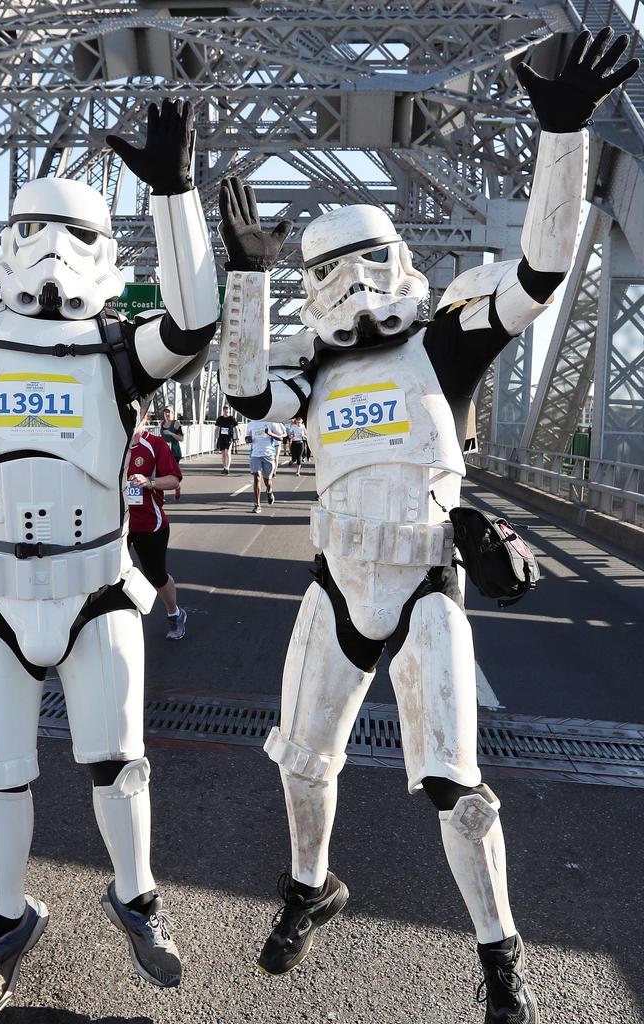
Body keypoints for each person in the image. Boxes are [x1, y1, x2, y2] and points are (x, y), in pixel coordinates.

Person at [217, 30, 637, 1024]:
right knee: (300, 759)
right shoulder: (314, 369)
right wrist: (242, 281)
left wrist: (562, 131)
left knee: (460, 785)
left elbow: (538, 273)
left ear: (400, 263)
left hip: (420, 582)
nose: (357, 286)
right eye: (336, 270)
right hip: (336, 583)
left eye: (372, 263)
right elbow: (241, 395)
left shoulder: (445, 339)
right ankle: (310, 888)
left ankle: (501, 956)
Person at [0, 24, 221, 1020]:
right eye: (36, 228)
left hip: (94, 586)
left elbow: (195, 328)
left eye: (77, 235)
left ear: (109, 256)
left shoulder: (117, 350)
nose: (54, 252)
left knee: (117, 761)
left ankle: (137, 896)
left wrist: (174, 191)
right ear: (5, 239)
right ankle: (1, 919)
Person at [126, 410, 187, 640]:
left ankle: (175, 613)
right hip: (118, 524)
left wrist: (149, 481)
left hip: (149, 524)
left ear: (144, 420)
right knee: (108, 574)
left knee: (156, 576)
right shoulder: (112, 443)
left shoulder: (155, 444)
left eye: (136, 418)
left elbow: (174, 479)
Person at [245, 419, 284, 513]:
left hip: (268, 454)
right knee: (257, 477)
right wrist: (248, 439)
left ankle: (269, 491)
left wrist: (270, 433)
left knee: (267, 480)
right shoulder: (251, 424)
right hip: (255, 454)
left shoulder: (272, 422)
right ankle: (257, 504)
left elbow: (281, 438)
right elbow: (247, 437)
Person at [160, 405, 184, 499]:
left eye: (169, 412)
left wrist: (171, 433)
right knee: (162, 473)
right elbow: (161, 437)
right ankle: (161, 495)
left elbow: (181, 439)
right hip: (164, 453)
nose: (167, 414)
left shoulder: (176, 423)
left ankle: (177, 487)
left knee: (173, 474)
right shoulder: (162, 424)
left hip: (175, 452)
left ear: (173, 413)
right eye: (166, 412)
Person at [214, 403, 239, 473]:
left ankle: (227, 468)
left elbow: (236, 428)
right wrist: (215, 437)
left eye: (227, 409)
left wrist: (237, 438)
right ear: (223, 410)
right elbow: (216, 429)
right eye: (224, 409)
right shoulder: (220, 419)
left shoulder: (232, 418)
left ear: (229, 410)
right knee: (223, 454)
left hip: (229, 437)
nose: (226, 410)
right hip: (221, 437)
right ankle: (224, 467)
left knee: (227, 453)